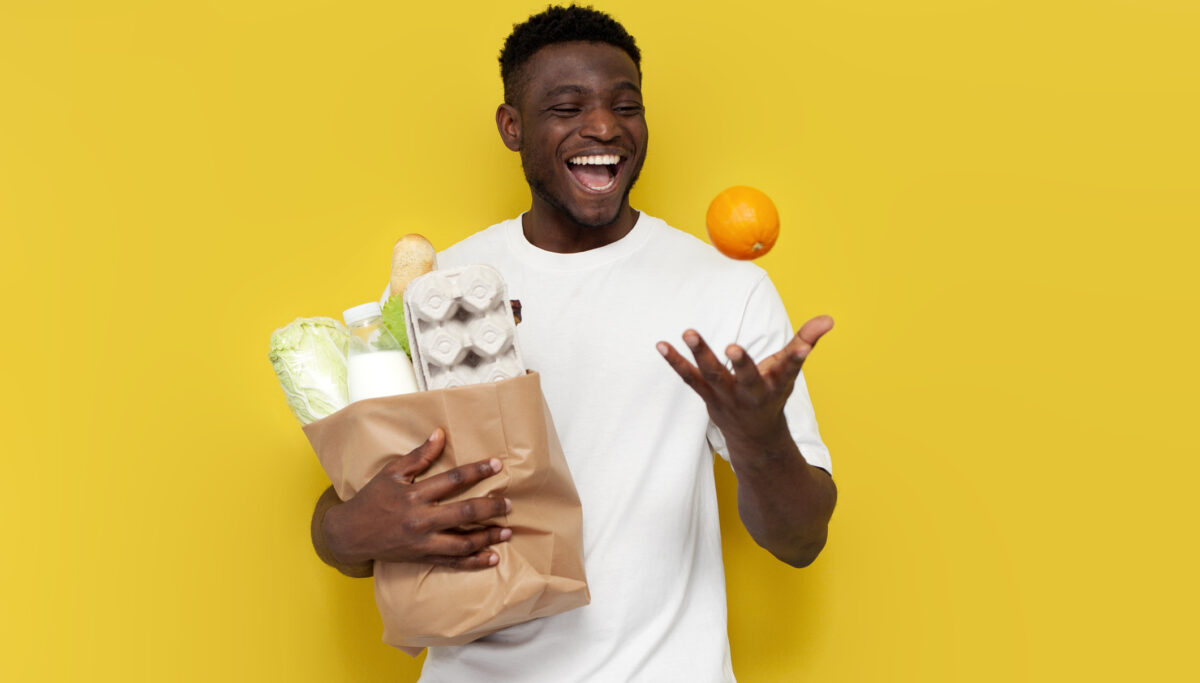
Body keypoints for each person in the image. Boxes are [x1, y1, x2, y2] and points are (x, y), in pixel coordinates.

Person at [311, 5, 837, 681]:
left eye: (626, 105)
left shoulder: (728, 290)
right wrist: (349, 530)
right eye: (567, 106)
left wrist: (760, 439)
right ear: (512, 127)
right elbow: (346, 515)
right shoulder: (438, 290)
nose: (603, 127)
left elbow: (800, 540)